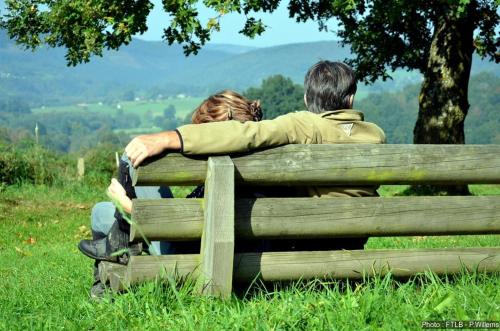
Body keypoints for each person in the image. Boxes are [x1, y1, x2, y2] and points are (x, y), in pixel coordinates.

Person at [80, 61, 386, 262]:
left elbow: (248, 134)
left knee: (107, 204)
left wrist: (170, 138)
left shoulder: (303, 126)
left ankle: (120, 242)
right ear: (351, 98)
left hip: (220, 254)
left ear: (308, 100)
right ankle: (122, 237)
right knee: (106, 212)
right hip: (340, 249)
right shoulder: (376, 136)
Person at [79, 90, 263, 297]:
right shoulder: (259, 163)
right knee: (101, 211)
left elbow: (195, 229)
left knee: (135, 156)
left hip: (187, 258)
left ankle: (114, 257)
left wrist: (130, 207)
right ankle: (114, 255)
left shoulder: (223, 168)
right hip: (220, 251)